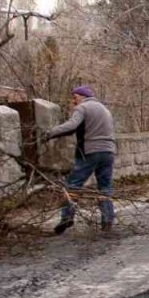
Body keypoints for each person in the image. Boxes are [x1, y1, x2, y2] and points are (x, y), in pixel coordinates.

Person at [43, 85, 117, 233]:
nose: (73, 101)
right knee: (105, 187)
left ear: (82, 96)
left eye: (75, 97)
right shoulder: (104, 109)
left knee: (72, 185)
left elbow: (72, 126)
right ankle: (107, 221)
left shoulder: (83, 108)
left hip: (90, 151)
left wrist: (50, 133)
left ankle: (67, 218)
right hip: (108, 151)